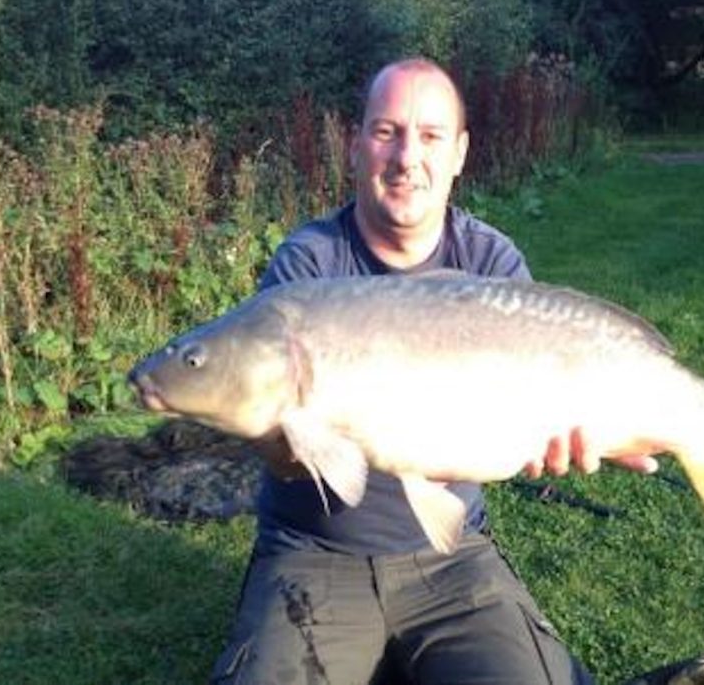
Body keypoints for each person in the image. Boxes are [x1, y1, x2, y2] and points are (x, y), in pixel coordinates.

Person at [209, 58, 654, 685]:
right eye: (387, 131)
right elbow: (284, 461)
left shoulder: (491, 261)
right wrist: (262, 422)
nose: (406, 156)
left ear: (459, 153)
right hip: (314, 553)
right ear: (357, 144)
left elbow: (530, 416)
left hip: (452, 558)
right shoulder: (308, 268)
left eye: (430, 136)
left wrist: (570, 436)